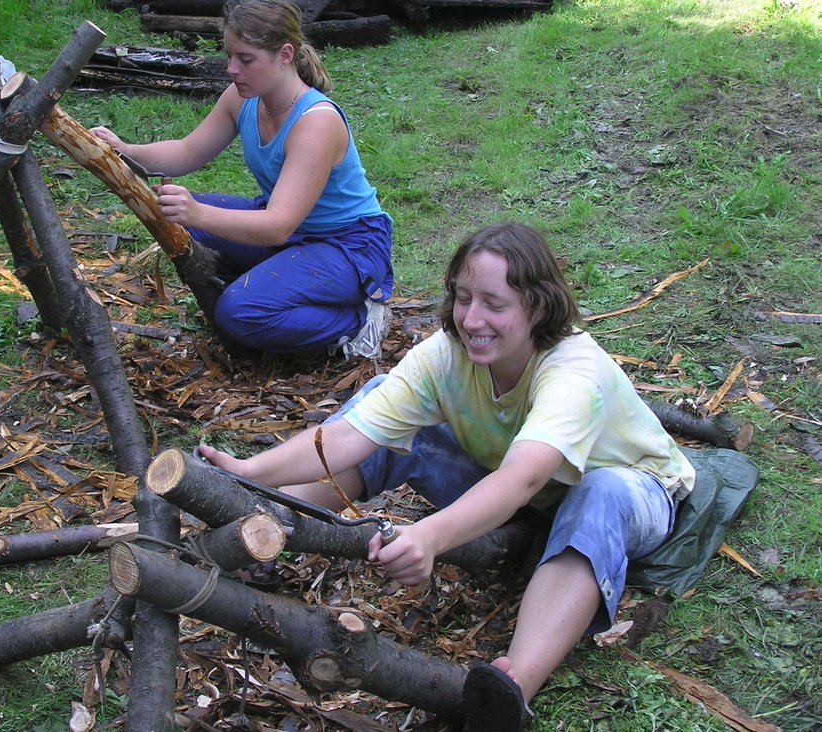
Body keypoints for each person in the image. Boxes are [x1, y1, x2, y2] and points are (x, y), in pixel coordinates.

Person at [198, 221, 696, 730]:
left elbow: (522, 479)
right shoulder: (447, 353)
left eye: (494, 304)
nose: (472, 318)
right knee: (383, 409)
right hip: (525, 492)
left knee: (599, 491)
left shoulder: (573, 372)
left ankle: (513, 687)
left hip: (630, 492)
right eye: (463, 298)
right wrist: (249, 471)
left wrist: (429, 536)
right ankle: (263, 528)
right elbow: (352, 434)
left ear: (538, 307)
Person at [91, 0, 393, 358]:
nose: (231, 69)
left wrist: (197, 213)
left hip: (348, 247)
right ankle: (274, 298)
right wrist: (124, 149)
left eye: (245, 59)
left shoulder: (316, 122)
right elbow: (188, 151)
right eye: (230, 56)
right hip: (295, 235)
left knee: (239, 312)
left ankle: (357, 320)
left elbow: (278, 225)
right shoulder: (243, 98)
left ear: (284, 54)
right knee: (175, 218)